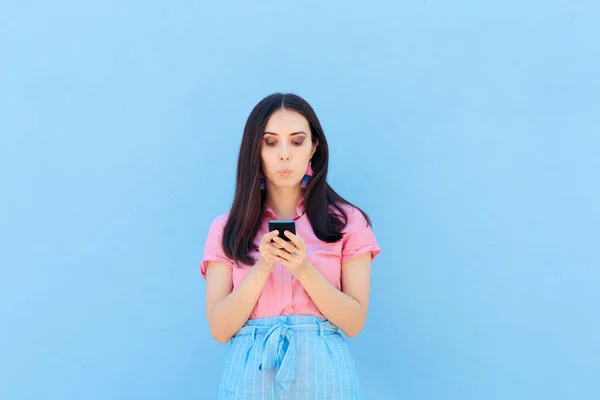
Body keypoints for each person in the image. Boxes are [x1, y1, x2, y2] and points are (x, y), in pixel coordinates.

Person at [199, 93, 381, 399]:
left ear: (314, 147)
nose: (285, 154)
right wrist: (263, 266)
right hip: (250, 378)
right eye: (271, 142)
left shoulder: (348, 222)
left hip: (325, 377)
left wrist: (303, 269)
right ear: (255, 149)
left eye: (296, 141)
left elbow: (354, 322)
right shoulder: (226, 228)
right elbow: (220, 329)